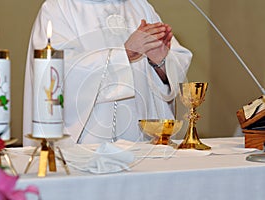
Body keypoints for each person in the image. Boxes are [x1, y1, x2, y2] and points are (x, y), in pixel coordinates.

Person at [23, 0, 192, 146]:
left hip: (143, 144)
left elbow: (172, 68)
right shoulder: (58, 8)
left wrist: (159, 62)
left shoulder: (139, 6)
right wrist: (123, 55)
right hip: (87, 146)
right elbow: (55, 74)